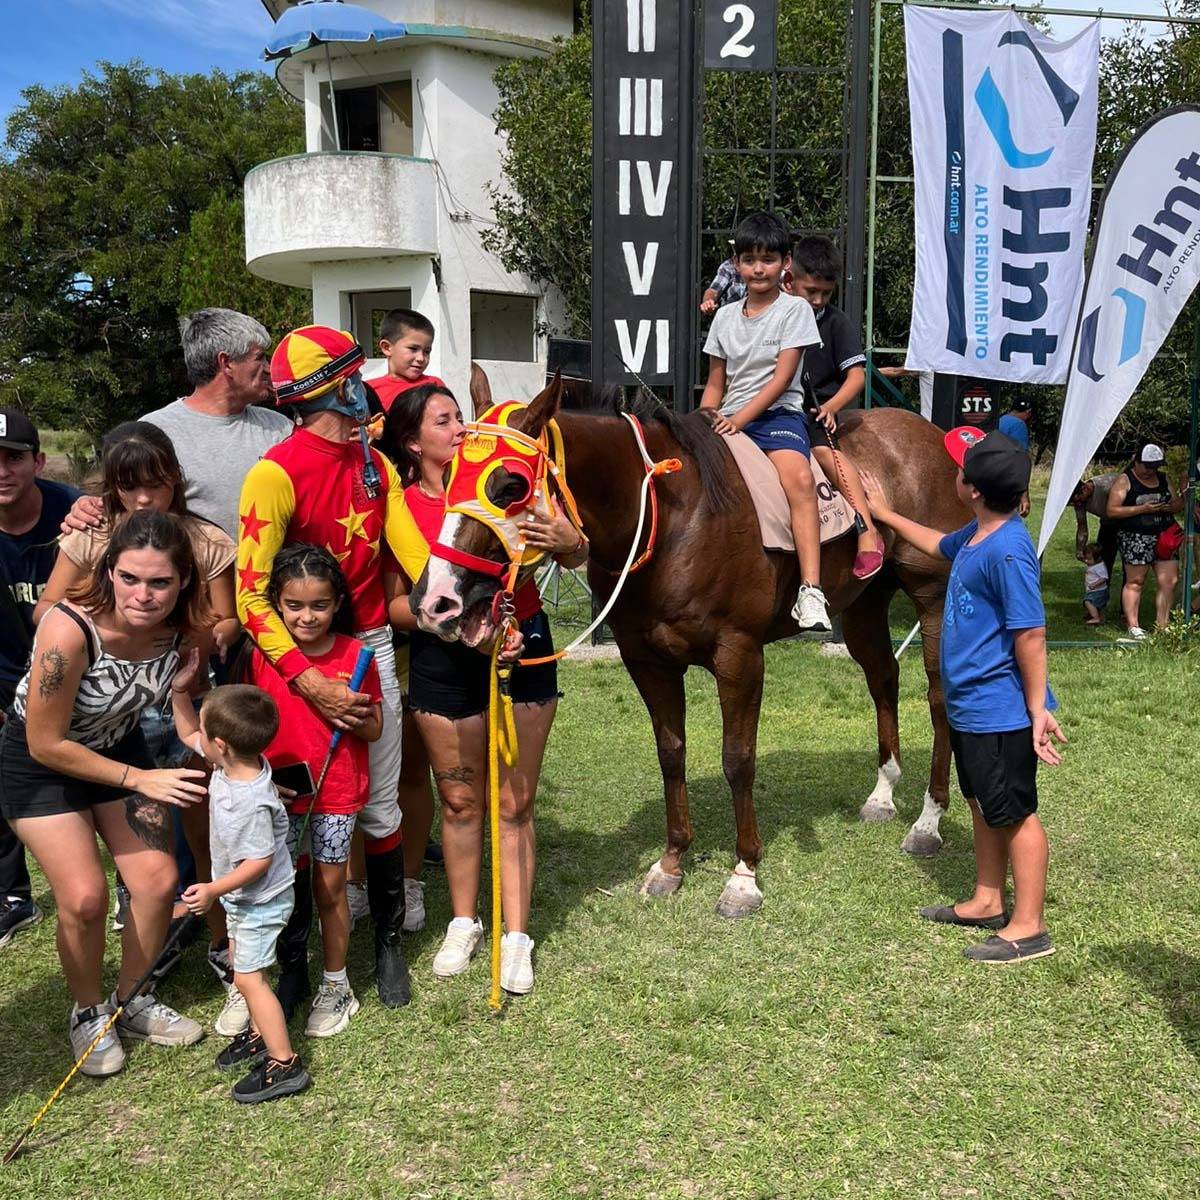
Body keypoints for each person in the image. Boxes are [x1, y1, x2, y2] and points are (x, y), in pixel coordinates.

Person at [237, 324, 428, 1013]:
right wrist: (308, 679)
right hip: (294, 660)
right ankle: (294, 965)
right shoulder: (273, 473)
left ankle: (386, 947)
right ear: (335, 386)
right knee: (293, 810)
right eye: (356, 376)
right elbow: (250, 594)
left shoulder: (376, 462)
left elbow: (417, 558)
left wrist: (477, 590)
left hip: (369, 646)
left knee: (378, 802)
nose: (366, 389)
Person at [381, 382, 585, 994]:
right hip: (443, 660)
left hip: (524, 644)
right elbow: (393, 604)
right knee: (460, 801)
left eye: (460, 416)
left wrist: (571, 543)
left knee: (515, 803)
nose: (462, 429)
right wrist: (459, 631)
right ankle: (464, 921)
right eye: (445, 422)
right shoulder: (401, 507)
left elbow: (575, 553)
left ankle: (516, 935)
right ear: (413, 443)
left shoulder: (509, 481)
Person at [36, 421, 240, 1010]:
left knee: (202, 827)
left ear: (176, 478)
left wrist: (201, 636)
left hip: (182, 695)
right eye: (129, 486)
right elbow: (48, 609)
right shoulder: (92, 534)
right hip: (112, 709)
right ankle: (149, 947)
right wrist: (108, 631)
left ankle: (221, 940)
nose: (144, 498)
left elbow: (228, 618)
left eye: (156, 483)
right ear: (113, 487)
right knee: (140, 852)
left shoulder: (204, 540)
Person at [0, 511, 209, 1074]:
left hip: (119, 744)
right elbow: (45, 742)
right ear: (109, 570)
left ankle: (131, 998)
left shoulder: (186, 629)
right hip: (41, 764)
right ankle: (89, 1011)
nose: (143, 595)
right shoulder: (69, 629)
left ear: (183, 581)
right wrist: (141, 779)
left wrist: (201, 734)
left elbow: (181, 704)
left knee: (158, 881)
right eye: (130, 578)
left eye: (160, 582)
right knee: (85, 897)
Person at [862, 429, 1065, 965]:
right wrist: (884, 513)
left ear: (971, 489)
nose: (954, 473)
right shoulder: (977, 534)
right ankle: (988, 899)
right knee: (981, 801)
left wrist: (1037, 709)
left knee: (1015, 812)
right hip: (971, 707)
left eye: (960, 470)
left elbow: (1031, 633)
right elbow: (934, 543)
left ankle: (1030, 927)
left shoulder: (1009, 551)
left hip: (1001, 710)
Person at [247, 545, 382, 1037]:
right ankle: (280, 976)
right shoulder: (264, 655)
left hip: (336, 793)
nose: (307, 617)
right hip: (279, 794)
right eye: (294, 606)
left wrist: (349, 711)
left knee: (330, 888)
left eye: (319, 605)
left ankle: (336, 982)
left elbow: (375, 729)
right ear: (277, 606)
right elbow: (249, 727)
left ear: (337, 603)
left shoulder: (356, 655)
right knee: (277, 886)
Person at [172, 678, 311, 1103]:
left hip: (261, 900)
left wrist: (213, 889)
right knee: (240, 963)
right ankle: (257, 1032)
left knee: (250, 980)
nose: (196, 736)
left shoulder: (249, 801)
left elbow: (259, 861)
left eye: (204, 730)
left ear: (220, 745)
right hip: (242, 899)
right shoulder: (231, 764)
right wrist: (179, 692)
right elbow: (187, 733)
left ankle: (284, 1063)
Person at [699, 211, 831, 632]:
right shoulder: (724, 317)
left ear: (785, 263)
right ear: (736, 264)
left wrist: (738, 420)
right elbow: (715, 383)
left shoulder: (795, 310)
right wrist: (703, 420)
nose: (759, 268)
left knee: (800, 480)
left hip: (777, 417)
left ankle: (811, 590)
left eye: (769, 259)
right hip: (728, 419)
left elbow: (781, 379)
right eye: (750, 259)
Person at [62, 310, 290, 547]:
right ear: (226, 363)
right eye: (260, 358)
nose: (269, 367)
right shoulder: (151, 434)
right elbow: (117, 505)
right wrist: (87, 508)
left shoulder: (281, 428)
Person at [0, 408, 79, 950]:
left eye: (14, 458)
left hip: (75, 674)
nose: (3, 471)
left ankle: (127, 887)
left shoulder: (72, 512)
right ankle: (12, 895)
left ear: (39, 461)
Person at [790, 235, 885, 579]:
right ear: (790, 278)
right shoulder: (776, 313)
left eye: (825, 293)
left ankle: (866, 531)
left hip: (814, 411)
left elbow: (856, 376)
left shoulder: (836, 322)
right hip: (772, 407)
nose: (818, 300)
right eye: (810, 291)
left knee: (825, 453)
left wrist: (831, 407)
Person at [1106, 443, 1183, 638]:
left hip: (1165, 536)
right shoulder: (1125, 480)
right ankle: (1133, 626)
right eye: (1148, 466)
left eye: (1155, 467)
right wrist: (1143, 509)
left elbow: (1177, 504)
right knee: (1136, 581)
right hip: (1136, 536)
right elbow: (1112, 510)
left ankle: (1162, 625)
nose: (1151, 471)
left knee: (1169, 581)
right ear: (1136, 462)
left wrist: (1170, 506)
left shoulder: (1164, 478)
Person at [368, 308, 446, 415]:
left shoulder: (434, 385)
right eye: (413, 349)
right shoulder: (370, 391)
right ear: (387, 348)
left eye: (427, 351)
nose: (421, 358)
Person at [1070, 472, 1120, 577]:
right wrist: (1079, 549)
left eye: (1078, 499)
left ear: (1085, 488)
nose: (1078, 503)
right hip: (1108, 523)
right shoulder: (1079, 502)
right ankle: (1103, 585)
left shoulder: (1105, 486)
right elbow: (1082, 527)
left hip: (1126, 522)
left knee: (1129, 563)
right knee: (1103, 560)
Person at [1081, 543, 1109, 626]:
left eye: (1089, 559)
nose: (1086, 561)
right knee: (1095, 604)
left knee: (1088, 602)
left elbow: (1104, 577)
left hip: (1098, 591)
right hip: (1093, 590)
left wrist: (1094, 584)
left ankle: (1095, 618)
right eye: (1085, 558)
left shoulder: (1099, 567)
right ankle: (1097, 616)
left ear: (1098, 558)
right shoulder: (1094, 564)